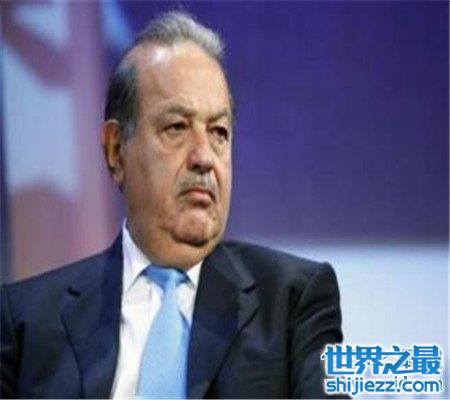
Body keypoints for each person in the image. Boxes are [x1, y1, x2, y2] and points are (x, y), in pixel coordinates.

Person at [1, 11, 344, 399]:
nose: (204, 157)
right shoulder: (25, 320)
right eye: (177, 127)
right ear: (116, 150)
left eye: (219, 132)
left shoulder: (293, 302)